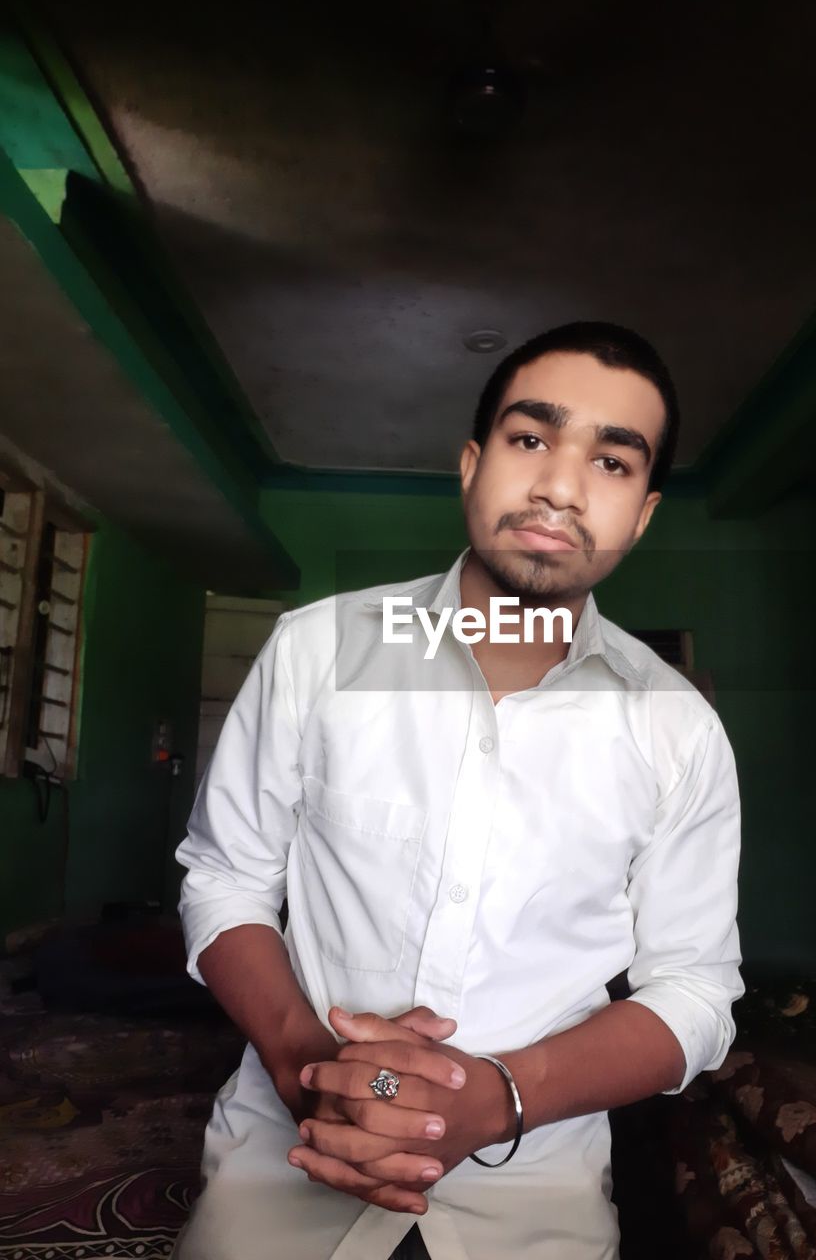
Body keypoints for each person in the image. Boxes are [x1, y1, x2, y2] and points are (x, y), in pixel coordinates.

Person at [172, 321, 744, 1260]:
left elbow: (694, 989)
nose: (560, 486)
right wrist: (297, 1057)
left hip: (535, 1203)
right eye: (531, 440)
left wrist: (504, 1096)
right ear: (473, 465)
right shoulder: (319, 651)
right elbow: (224, 876)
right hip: (281, 1172)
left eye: (610, 462)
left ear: (642, 514)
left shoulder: (677, 727)